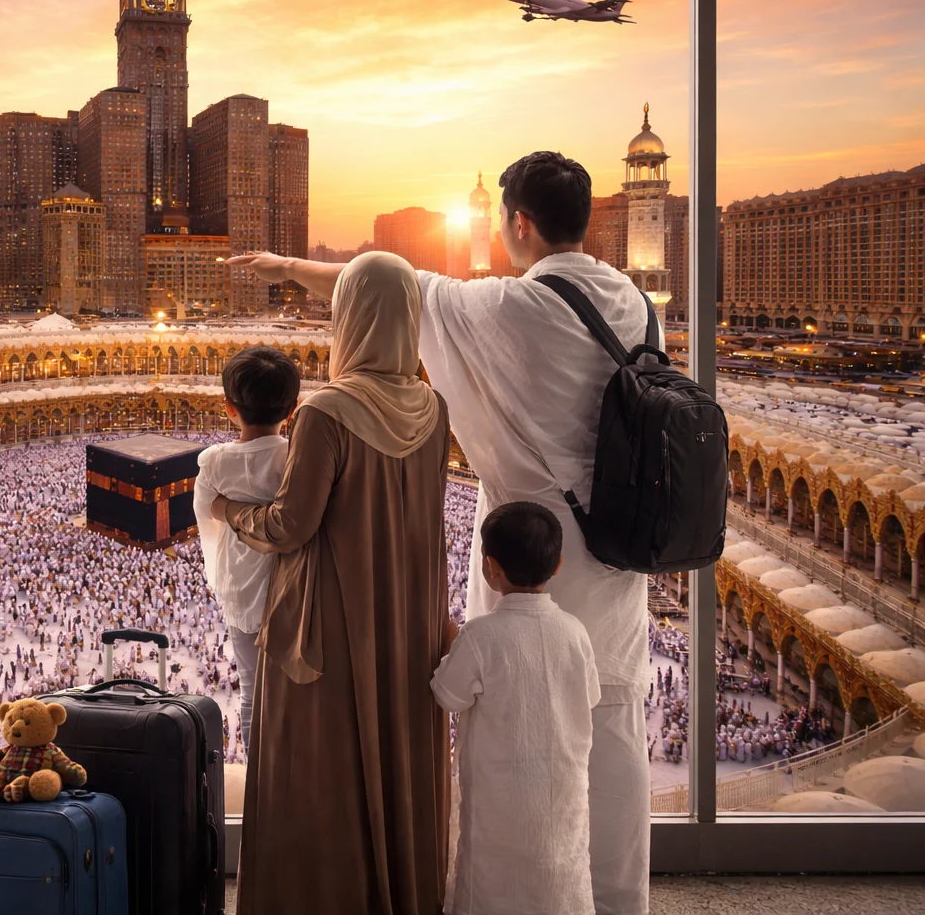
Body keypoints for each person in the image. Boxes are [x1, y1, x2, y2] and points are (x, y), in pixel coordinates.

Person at [227, 151, 656, 914]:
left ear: (518, 224)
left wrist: (282, 264)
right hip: (618, 560)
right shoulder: (632, 300)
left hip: (527, 556)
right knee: (612, 739)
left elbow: (381, 285)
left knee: (508, 757)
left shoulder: (503, 309)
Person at [210, 251, 451, 915]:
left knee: (316, 771)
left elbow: (290, 527)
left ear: (350, 316)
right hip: (406, 618)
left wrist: (230, 511)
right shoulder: (434, 410)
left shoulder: (326, 411)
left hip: (333, 620)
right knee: (393, 757)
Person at [433, 501, 600, 915]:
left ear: (490, 567)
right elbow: (590, 696)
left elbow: (446, 695)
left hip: (498, 801)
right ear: (558, 565)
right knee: (560, 873)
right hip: (560, 793)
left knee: (493, 881)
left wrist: (448, 641)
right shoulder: (575, 633)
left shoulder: (480, 636)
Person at [191, 345, 299, 753]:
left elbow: (208, 520)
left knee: (253, 691)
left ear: (228, 408)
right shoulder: (296, 458)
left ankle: (260, 785)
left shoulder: (215, 462)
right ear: (293, 408)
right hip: (292, 592)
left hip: (242, 595)